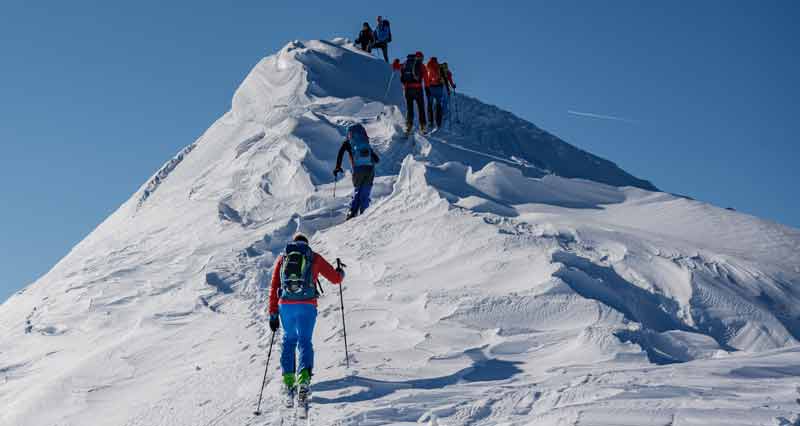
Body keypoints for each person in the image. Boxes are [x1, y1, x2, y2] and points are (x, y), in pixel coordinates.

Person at [268, 233, 345, 409]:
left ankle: (288, 381)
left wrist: (273, 313)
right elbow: (335, 279)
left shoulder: (283, 259)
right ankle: (303, 381)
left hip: (286, 306)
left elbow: (274, 287)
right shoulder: (314, 257)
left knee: (288, 340)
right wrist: (340, 273)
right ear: (306, 243)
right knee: (304, 341)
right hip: (307, 306)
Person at [333, 124, 381, 220]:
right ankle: (365, 213)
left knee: (357, 191)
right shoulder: (365, 143)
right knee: (365, 193)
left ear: (349, 134)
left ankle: (352, 213)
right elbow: (376, 159)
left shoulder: (348, 143)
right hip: (369, 170)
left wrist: (338, 167)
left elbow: (340, 153)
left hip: (358, 170)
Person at [393, 51, 427, 134]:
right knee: (421, 108)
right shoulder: (421, 65)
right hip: (418, 89)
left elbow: (395, 67)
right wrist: (427, 87)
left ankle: (409, 127)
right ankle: (423, 127)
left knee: (410, 108)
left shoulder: (405, 63)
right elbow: (426, 77)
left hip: (408, 89)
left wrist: (395, 62)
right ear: (420, 57)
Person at [424, 56, 448, 129]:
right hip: (439, 88)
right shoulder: (439, 67)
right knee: (438, 104)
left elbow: (425, 77)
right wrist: (447, 88)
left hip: (430, 87)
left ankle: (430, 122)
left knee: (430, 105)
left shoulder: (427, 66)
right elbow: (444, 78)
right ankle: (438, 123)